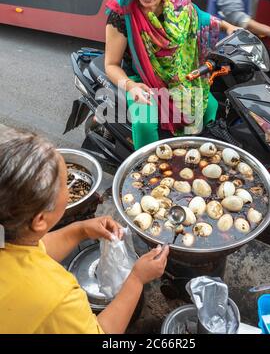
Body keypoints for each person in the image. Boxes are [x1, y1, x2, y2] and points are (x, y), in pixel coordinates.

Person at [0, 127, 168, 334]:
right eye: (64, 184)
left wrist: (79, 230)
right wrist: (136, 279)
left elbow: (30, 252)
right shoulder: (55, 295)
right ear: (40, 219)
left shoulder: (8, 235)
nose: (70, 188)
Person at [105, 0, 237, 150]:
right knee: (145, 123)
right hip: (141, 78)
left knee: (209, 106)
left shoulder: (179, 1)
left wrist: (228, 27)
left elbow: (200, 17)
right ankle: (145, 169)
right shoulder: (123, 13)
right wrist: (131, 87)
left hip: (179, 74)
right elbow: (111, 64)